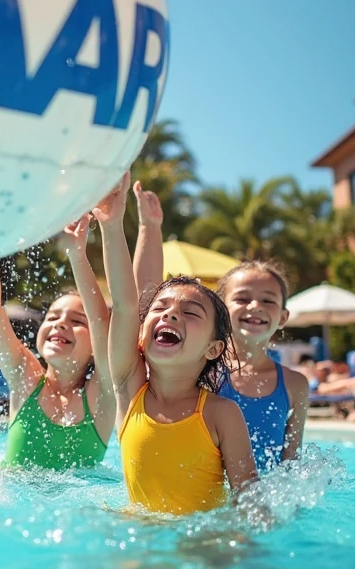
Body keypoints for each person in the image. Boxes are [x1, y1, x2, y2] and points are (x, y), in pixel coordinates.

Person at [97, 173, 257, 515]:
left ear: (213, 349)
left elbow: (249, 500)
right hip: (137, 540)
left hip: (199, 546)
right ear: (142, 334)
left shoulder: (221, 414)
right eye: (161, 309)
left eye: (190, 312)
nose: (170, 315)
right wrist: (112, 225)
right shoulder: (129, 389)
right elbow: (127, 304)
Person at [0, 214, 114, 470]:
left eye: (78, 321)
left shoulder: (102, 394)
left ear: (96, 344)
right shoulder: (25, 377)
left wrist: (76, 254)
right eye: (53, 316)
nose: (60, 324)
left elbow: (102, 322)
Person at [214, 262, 310, 470]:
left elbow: (291, 464)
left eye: (268, 300)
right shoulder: (204, 372)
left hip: (262, 498)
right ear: (220, 309)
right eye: (242, 298)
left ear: (283, 317)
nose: (255, 306)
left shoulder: (295, 384)